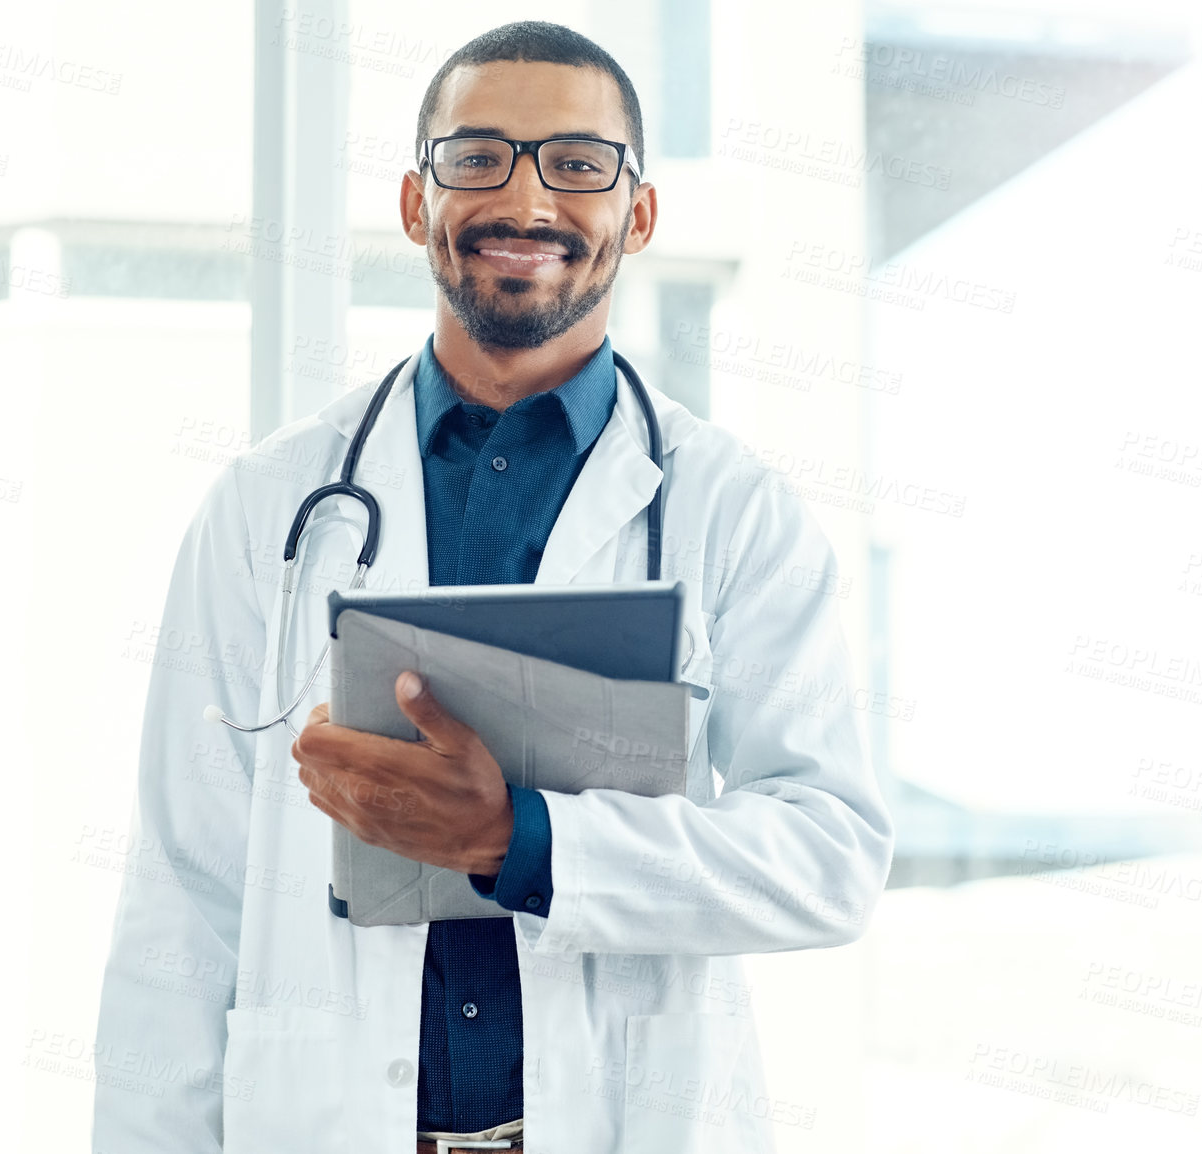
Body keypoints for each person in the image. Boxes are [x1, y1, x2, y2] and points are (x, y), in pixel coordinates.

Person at [92, 21, 893, 1154]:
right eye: (477, 158)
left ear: (638, 214)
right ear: (415, 203)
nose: (526, 199)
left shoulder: (734, 511)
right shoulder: (269, 504)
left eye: (578, 163)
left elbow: (829, 857)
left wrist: (525, 839)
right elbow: (182, 897)